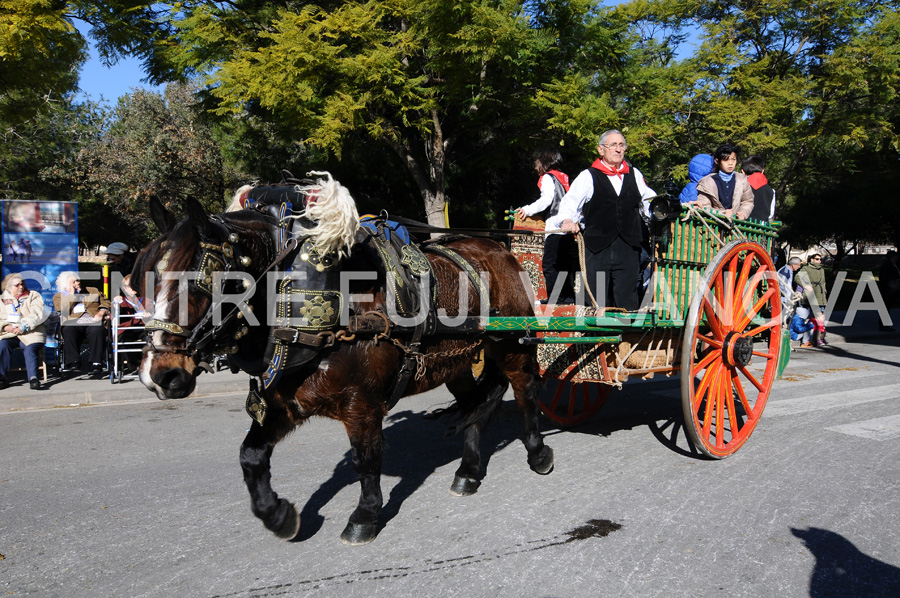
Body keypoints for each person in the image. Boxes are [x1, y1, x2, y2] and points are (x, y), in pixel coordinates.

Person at [549, 129, 657, 310]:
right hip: (598, 248)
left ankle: (624, 337)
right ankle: (596, 337)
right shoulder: (587, 176)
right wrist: (567, 221)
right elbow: (569, 203)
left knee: (627, 299)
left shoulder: (635, 175)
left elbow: (650, 203)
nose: (618, 149)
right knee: (597, 299)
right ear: (601, 150)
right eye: (613, 145)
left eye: (621, 145)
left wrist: (670, 208)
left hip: (629, 248)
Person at [515, 149, 575, 304]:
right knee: (564, 265)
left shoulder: (548, 178)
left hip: (556, 225)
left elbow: (547, 199)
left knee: (550, 264)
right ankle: (567, 298)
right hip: (568, 226)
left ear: (544, 162)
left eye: (537, 164)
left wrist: (527, 209)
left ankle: (555, 299)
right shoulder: (564, 178)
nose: (536, 168)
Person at [53, 271, 110, 375]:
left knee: (97, 330)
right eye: (73, 282)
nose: (77, 283)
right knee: (69, 330)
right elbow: (62, 309)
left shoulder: (92, 290)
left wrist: (101, 312)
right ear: (65, 285)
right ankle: (74, 362)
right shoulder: (60, 296)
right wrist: (71, 295)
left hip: (93, 319)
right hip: (73, 322)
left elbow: (106, 302)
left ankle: (97, 363)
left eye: (78, 280)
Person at [0, 274, 49, 390]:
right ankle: (2, 379)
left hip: (31, 331)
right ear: (8, 287)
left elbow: (37, 314)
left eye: (22, 283)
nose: (21, 286)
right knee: (2, 345)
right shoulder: (2, 300)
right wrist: (5, 327)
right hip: (9, 333)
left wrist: (24, 326)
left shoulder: (33, 296)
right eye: (17, 285)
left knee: (30, 347)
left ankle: (33, 378)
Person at [695, 143, 755, 219]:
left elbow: (748, 201)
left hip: (735, 225)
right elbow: (703, 206)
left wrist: (743, 213)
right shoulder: (707, 182)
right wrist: (721, 213)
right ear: (717, 161)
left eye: (733, 159)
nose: (730, 163)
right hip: (714, 225)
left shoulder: (742, 180)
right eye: (726, 160)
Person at [796, 253, 828, 345]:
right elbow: (797, 278)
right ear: (812, 259)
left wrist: (824, 292)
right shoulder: (806, 268)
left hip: (821, 296)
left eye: (820, 259)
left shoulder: (821, 270)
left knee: (820, 319)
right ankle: (808, 340)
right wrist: (805, 286)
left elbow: (823, 283)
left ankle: (819, 338)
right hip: (810, 296)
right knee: (809, 319)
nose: (819, 261)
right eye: (817, 259)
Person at [742, 155, 776, 222]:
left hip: (740, 227)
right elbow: (770, 214)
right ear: (763, 171)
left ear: (743, 171)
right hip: (761, 229)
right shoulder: (771, 191)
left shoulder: (740, 186)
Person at [877, 250, 900, 332]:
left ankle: (884, 324)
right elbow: (883, 278)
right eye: (895, 256)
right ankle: (884, 325)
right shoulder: (887, 266)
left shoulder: (894, 265)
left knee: (887, 307)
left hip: (892, 289)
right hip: (888, 290)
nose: (897, 257)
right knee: (886, 307)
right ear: (891, 257)